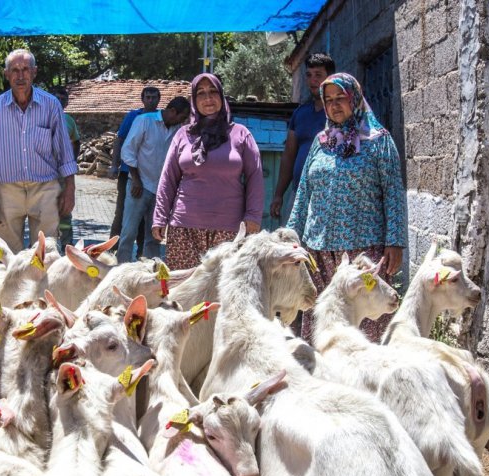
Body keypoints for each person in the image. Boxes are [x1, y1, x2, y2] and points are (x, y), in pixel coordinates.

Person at [287, 72, 406, 344]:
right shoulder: (321, 142)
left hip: (363, 252)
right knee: (324, 322)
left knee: (366, 326)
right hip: (320, 250)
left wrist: (395, 241)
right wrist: (293, 241)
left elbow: (393, 192)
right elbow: (304, 191)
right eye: (328, 99)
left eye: (341, 98)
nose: (334, 105)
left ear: (355, 98)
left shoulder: (378, 140)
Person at [152, 73, 264, 270]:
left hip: (229, 231)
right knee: (183, 292)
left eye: (213, 91)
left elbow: (255, 177)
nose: (208, 98)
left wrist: (253, 216)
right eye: (201, 93)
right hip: (184, 228)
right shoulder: (183, 134)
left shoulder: (240, 134)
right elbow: (168, 178)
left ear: (221, 96)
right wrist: (160, 217)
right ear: (194, 100)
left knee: (223, 294)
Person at [0, 49, 77, 254]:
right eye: (14, 70)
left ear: (34, 72)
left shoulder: (51, 105)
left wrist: (70, 188)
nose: (20, 75)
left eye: (25, 69)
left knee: (45, 255)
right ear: (6, 74)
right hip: (6, 190)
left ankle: (43, 288)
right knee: (6, 257)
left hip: (45, 189)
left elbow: (64, 151)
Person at [117, 96, 190, 264]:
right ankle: (121, 267)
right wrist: (136, 180)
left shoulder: (178, 129)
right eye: (182, 116)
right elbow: (128, 151)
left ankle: (151, 270)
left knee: (154, 234)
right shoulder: (144, 121)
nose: (183, 121)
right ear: (172, 111)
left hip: (161, 189)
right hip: (139, 185)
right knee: (129, 231)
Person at [270, 53, 335, 224]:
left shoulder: (339, 113)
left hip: (329, 195)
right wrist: (278, 194)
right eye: (309, 75)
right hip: (298, 194)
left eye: (318, 75)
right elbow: (289, 156)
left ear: (330, 78)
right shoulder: (300, 113)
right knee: (292, 245)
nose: (313, 80)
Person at [109, 86, 161, 255]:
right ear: (142, 99)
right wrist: (114, 165)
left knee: (146, 218)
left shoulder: (160, 119)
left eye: (154, 97)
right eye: (148, 97)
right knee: (123, 212)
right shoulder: (133, 116)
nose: (151, 100)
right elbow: (120, 140)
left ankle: (141, 253)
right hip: (128, 173)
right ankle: (113, 249)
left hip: (150, 176)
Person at [51, 86, 81, 250]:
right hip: (44, 174)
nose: (60, 102)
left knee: (64, 211)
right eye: (57, 98)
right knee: (43, 211)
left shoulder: (68, 120)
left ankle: (67, 246)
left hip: (63, 175)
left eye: (64, 99)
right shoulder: (41, 117)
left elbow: (76, 142)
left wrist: (72, 161)